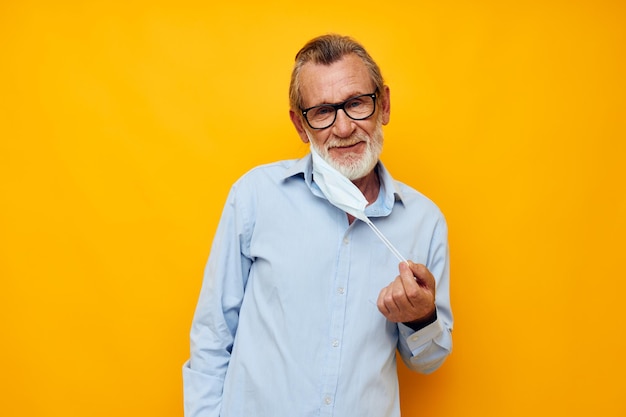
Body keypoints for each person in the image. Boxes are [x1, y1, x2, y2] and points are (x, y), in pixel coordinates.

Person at [182, 34, 453, 417]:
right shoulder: (255, 196)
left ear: (385, 105)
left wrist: (422, 317)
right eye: (323, 112)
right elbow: (212, 335)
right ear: (299, 124)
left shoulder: (424, 221)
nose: (344, 129)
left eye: (357, 103)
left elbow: (427, 362)